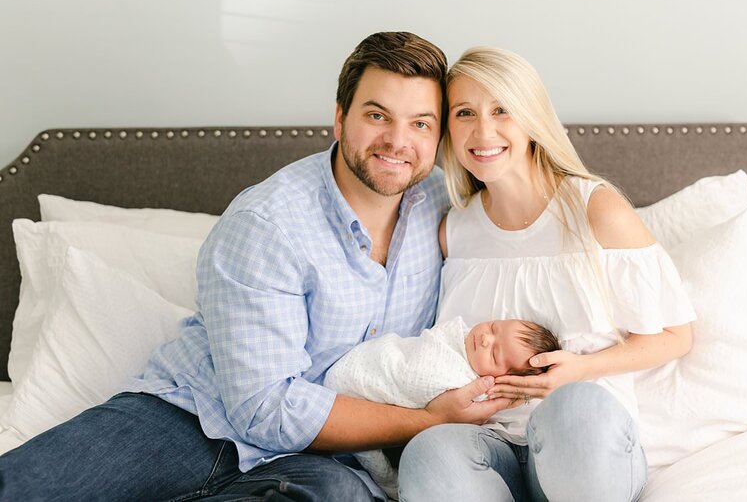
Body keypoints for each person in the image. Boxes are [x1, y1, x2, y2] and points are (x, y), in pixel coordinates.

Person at [0, 33, 514, 502]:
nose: (398, 141)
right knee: (23, 488)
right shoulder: (267, 223)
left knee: (342, 498)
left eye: (420, 123)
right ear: (339, 118)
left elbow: (542, 213)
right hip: (191, 420)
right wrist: (421, 420)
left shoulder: (443, 207)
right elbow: (264, 409)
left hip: (322, 461)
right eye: (377, 115)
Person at [397, 47, 697, 502]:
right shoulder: (452, 231)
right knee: (429, 451)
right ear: (448, 130)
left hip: (582, 440)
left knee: (574, 409)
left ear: (532, 117)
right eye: (464, 113)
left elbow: (677, 335)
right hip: (490, 445)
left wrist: (582, 369)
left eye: (502, 110)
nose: (483, 131)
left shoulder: (595, 209)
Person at [324, 315, 558, 499]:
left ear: (504, 381)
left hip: (360, 397)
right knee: (371, 450)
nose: (486, 339)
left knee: (373, 454)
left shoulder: (469, 384)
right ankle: (387, 484)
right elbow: (414, 368)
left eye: (494, 354)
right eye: (494, 327)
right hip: (355, 381)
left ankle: (385, 482)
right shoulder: (455, 335)